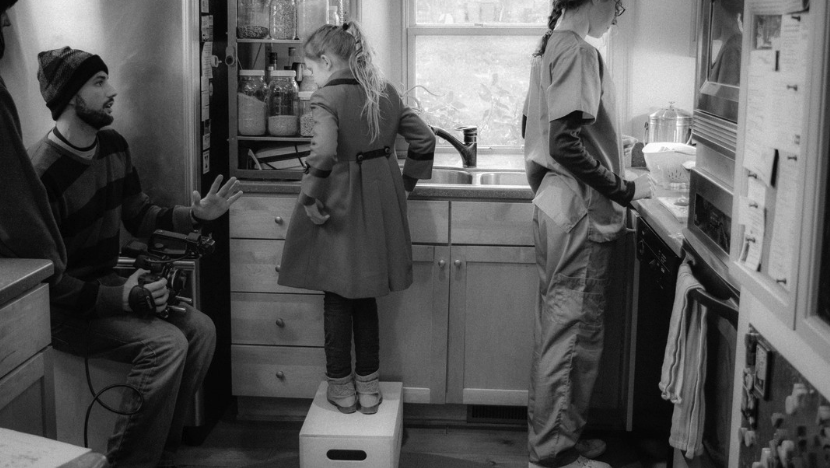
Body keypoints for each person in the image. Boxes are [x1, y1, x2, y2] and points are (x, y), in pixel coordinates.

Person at [28, 46, 242, 468]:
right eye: (99, 82)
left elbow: (140, 214)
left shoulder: (112, 146)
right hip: (63, 309)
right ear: (72, 96)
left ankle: (160, 454)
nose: (113, 91)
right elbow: (48, 281)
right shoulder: (42, 173)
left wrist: (195, 216)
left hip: (106, 286)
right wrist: (124, 298)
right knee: (166, 345)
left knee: (200, 330)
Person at [277, 21, 435, 414]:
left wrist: (310, 196)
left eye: (311, 69)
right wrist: (407, 183)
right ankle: (369, 389)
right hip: (380, 203)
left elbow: (325, 151)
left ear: (327, 61)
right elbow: (425, 140)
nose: (311, 77)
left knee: (336, 295)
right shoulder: (384, 92)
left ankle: (341, 389)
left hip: (340, 205)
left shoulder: (324, 99)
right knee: (366, 295)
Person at [521, 1, 653, 467]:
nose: (617, 14)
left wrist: (613, 147)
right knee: (573, 335)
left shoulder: (551, 48)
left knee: (558, 331)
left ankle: (559, 439)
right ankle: (553, 457)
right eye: (617, 4)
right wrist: (626, 187)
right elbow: (563, 143)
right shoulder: (577, 52)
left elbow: (545, 134)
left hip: (557, 205)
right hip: (579, 211)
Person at [0, 0, 66, 280]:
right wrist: (52, 264)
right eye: (1, 10)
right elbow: (13, 198)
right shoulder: (47, 164)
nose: (7, 22)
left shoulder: (113, 147)